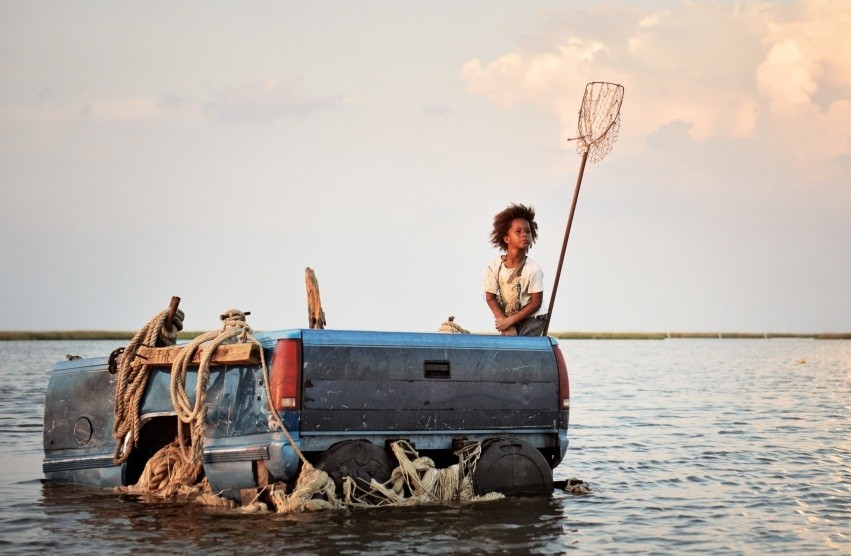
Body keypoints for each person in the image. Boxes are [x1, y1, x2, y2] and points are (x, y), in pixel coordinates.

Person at [482, 203, 548, 336]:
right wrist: (504, 322)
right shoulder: (494, 266)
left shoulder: (533, 269)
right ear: (506, 239)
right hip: (510, 317)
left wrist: (510, 321)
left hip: (533, 318)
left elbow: (536, 303)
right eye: (518, 232)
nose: (524, 235)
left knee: (517, 343)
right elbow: (490, 297)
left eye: (527, 231)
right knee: (507, 343)